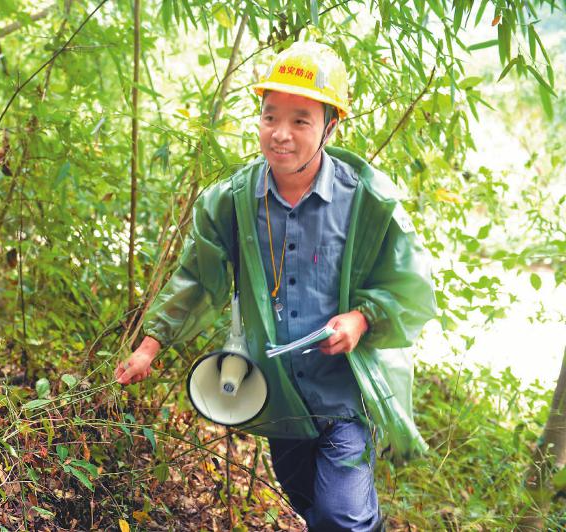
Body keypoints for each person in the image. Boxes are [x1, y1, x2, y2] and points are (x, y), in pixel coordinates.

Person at [115, 41, 436, 531]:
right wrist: (149, 347)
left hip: (345, 396)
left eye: (301, 120)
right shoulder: (232, 201)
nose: (280, 134)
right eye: (270, 116)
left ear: (331, 126)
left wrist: (362, 316)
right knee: (315, 509)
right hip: (279, 399)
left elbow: (408, 284)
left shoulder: (366, 200)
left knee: (341, 516)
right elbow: (197, 279)